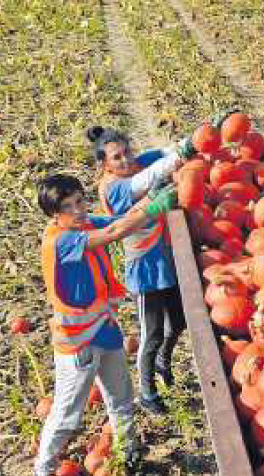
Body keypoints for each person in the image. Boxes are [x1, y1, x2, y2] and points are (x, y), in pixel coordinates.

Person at [32, 173, 178, 476]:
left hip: (104, 328)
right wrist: (153, 209)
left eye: (80, 200)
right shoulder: (62, 241)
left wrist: (151, 199)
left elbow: (120, 219)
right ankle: (42, 473)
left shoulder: (83, 224)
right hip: (77, 342)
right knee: (68, 410)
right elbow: (113, 231)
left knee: (121, 397)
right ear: (54, 215)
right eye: (69, 207)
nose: (79, 209)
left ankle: (130, 454)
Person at [89, 125, 195, 414]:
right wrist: (172, 163)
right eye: (116, 158)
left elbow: (164, 154)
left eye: (126, 153)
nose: (125, 160)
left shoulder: (138, 164)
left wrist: (193, 140)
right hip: (144, 267)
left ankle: (163, 360)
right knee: (152, 334)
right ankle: (147, 393)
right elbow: (148, 178)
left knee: (178, 323)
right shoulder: (112, 188)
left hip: (165, 260)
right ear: (104, 164)